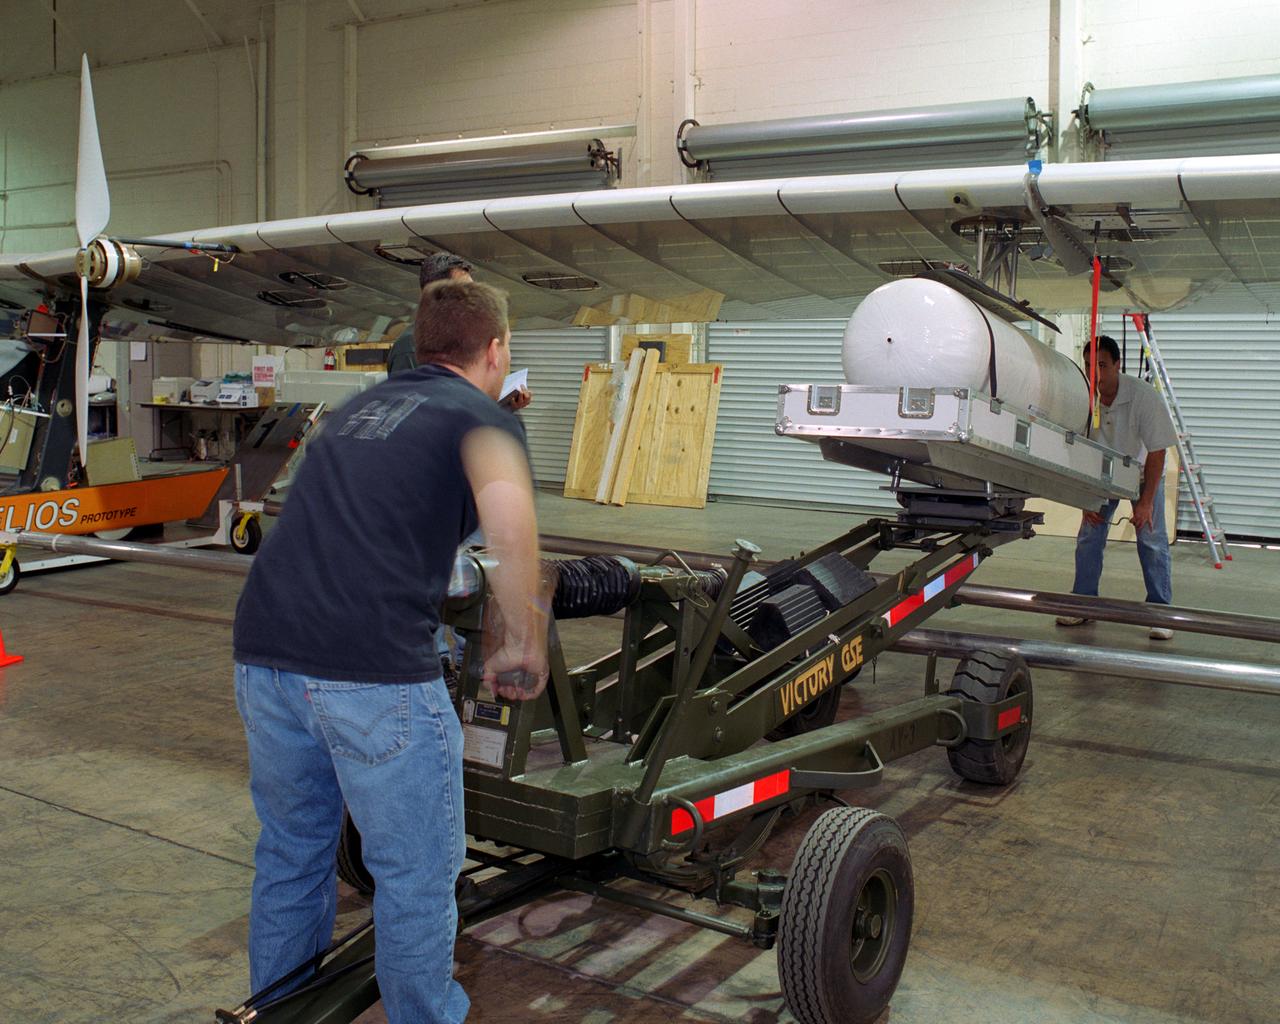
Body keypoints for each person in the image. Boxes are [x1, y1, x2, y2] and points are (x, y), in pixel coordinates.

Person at [232, 278, 550, 1023]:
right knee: (415, 872)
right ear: (496, 349)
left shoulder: (359, 410)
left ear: (423, 342)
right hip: (368, 670)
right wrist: (521, 643)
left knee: (291, 854)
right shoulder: (483, 419)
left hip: (264, 655)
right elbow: (514, 534)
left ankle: (278, 1013)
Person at [1056, 334, 1179, 640]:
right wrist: (1085, 496)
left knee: (1151, 539)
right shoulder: (1083, 396)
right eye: (1089, 365)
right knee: (1089, 536)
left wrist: (1147, 501)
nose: (1095, 372)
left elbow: (1157, 451)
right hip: (1100, 475)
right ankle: (1084, 603)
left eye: (1102, 365)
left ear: (1117, 365)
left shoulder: (1143, 397)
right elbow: (1076, 447)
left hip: (1140, 475)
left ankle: (1159, 611)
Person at [387, 251, 532, 412]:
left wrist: (505, 406)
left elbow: (463, 403)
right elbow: (408, 413)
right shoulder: (408, 347)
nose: (471, 297)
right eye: (463, 290)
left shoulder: (459, 338)